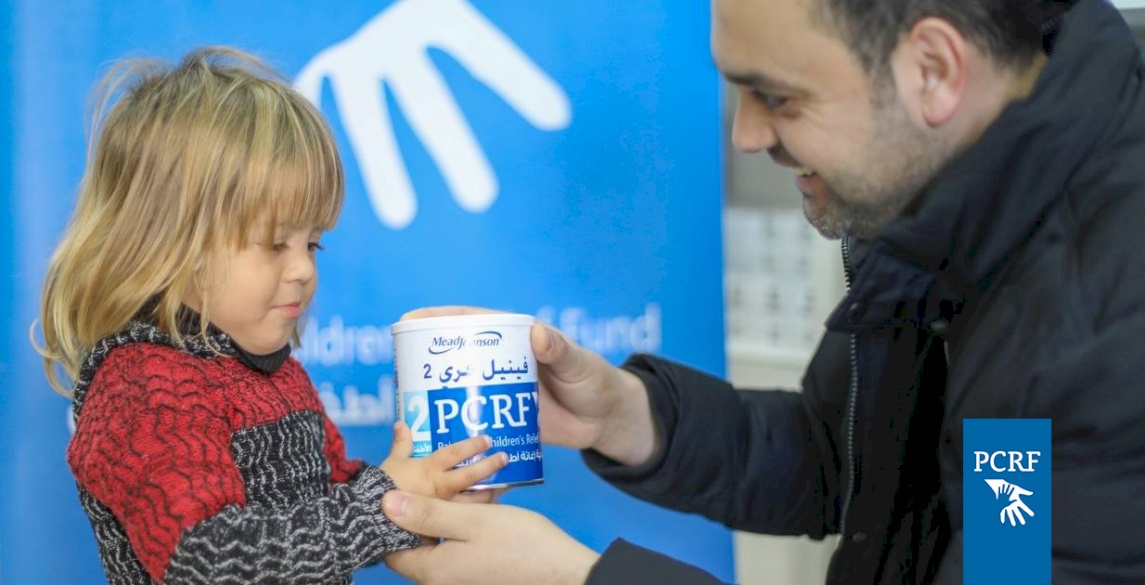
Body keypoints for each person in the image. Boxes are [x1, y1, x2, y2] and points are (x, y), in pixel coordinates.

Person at [377, 0, 1145, 583]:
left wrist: (583, 578)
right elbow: (838, 456)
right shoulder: (942, 212)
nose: (744, 135)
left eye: (777, 97)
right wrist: (627, 415)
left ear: (934, 71)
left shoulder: (1102, 334)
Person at [36, 47, 506, 584]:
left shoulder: (276, 373)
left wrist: (423, 493)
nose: (304, 269)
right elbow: (206, 559)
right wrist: (383, 504)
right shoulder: (142, 385)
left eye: (313, 244)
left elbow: (322, 505)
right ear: (166, 243)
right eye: (273, 243)